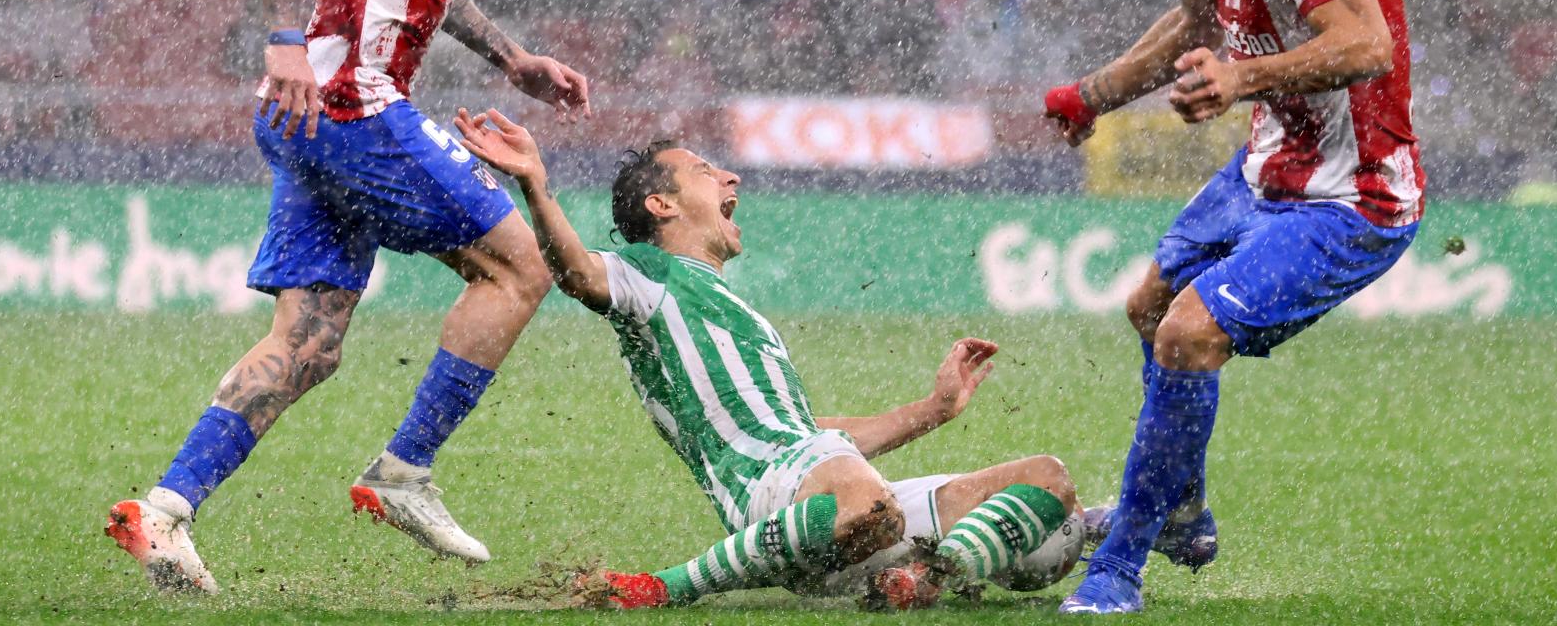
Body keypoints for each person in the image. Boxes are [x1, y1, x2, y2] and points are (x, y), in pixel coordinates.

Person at [104, 0, 591, 594]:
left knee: (310, 343)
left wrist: (511, 57)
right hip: (347, 105)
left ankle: (163, 511)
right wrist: (283, 37)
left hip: (312, 118)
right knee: (521, 266)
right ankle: (404, 471)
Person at [1042, 0, 1423, 614]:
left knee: (1188, 334)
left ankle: (1119, 566)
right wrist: (1094, 95)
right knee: (1150, 308)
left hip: (1351, 197)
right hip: (1266, 170)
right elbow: (1193, 24)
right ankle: (1181, 516)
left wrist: (1241, 78)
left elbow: (1369, 45)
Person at [449, 108, 1088, 609]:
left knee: (1049, 482)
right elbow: (578, 273)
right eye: (705, 170)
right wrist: (536, 185)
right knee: (864, 498)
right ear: (661, 205)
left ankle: (922, 579)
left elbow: (810, 435)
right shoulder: (648, 274)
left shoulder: (737, 311)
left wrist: (936, 409)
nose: (731, 178)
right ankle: (668, 586)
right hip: (774, 496)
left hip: (836, 503)